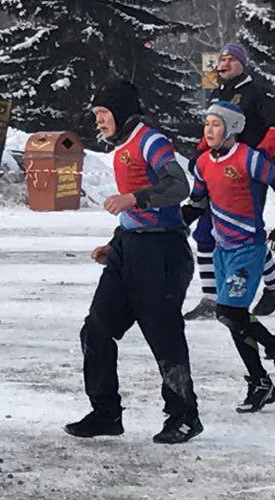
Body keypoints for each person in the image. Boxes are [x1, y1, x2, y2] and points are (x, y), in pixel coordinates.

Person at [66, 79, 202, 444]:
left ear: (122, 111)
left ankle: (184, 416)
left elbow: (178, 187)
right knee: (95, 328)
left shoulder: (151, 141)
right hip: (130, 247)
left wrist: (134, 200)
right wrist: (115, 242)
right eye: (96, 114)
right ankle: (106, 412)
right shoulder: (122, 146)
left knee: (164, 334)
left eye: (104, 113)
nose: (99, 121)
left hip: (162, 251)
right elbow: (135, 209)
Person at [187, 100, 275, 413]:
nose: (209, 130)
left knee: (229, 312)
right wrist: (169, 223)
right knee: (233, 318)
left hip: (248, 250)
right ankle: (261, 381)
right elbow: (197, 205)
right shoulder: (203, 164)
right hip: (222, 250)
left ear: (233, 127)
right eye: (207, 123)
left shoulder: (249, 158)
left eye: (216, 124)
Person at [186, 42, 275, 320]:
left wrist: (258, 156)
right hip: (216, 170)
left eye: (231, 59)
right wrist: (201, 154)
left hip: (245, 175)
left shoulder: (256, 93)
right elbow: (211, 127)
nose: (224, 64)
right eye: (221, 59)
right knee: (208, 232)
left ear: (243, 64)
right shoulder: (219, 93)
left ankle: (271, 286)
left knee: (246, 236)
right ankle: (213, 296)